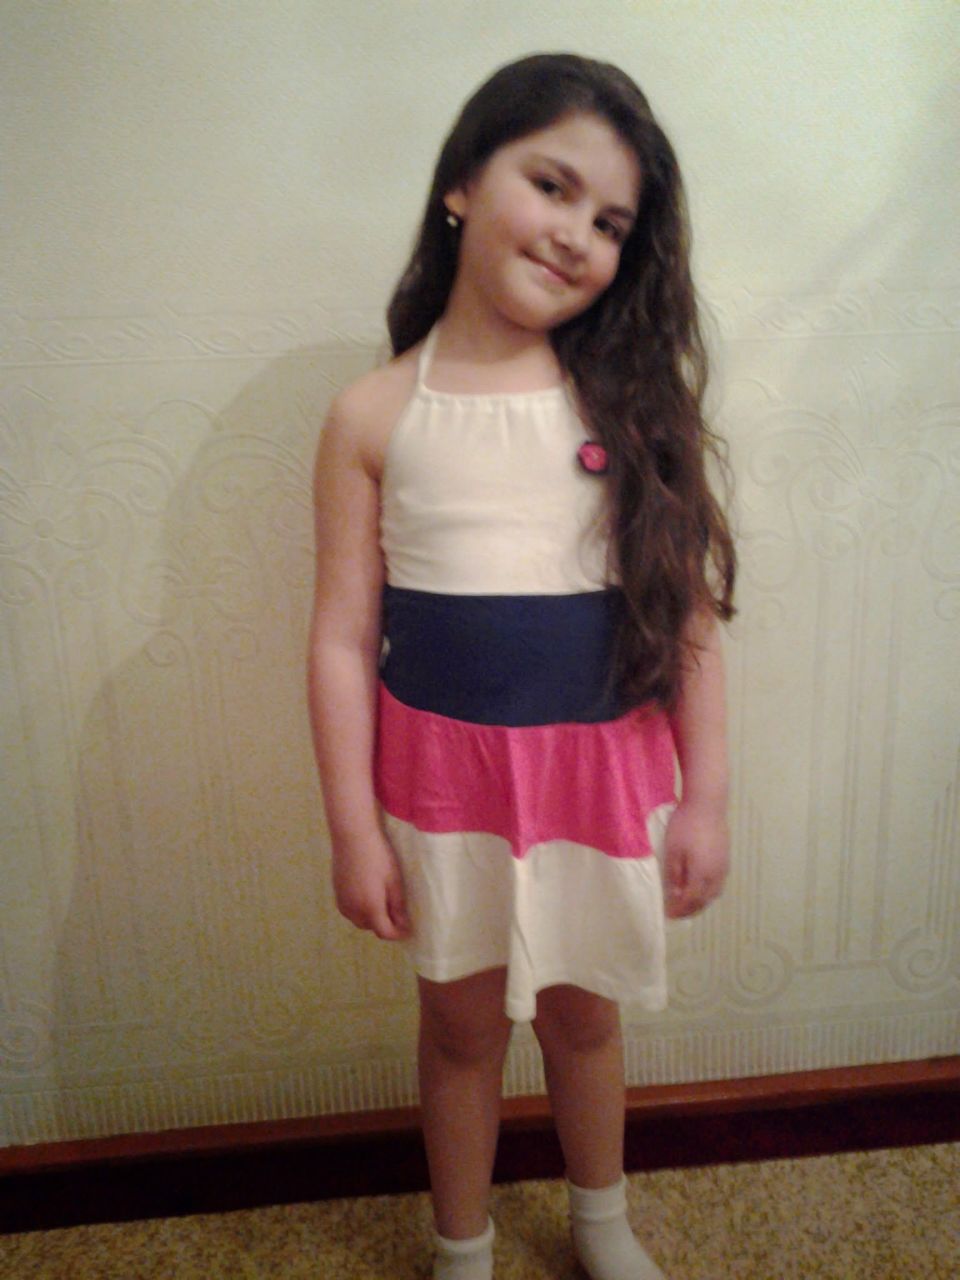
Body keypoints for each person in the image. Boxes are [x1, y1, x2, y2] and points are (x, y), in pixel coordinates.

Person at [307, 52, 736, 1280]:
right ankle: (464, 1248)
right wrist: (353, 827)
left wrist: (707, 796)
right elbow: (341, 637)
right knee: (457, 1027)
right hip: (445, 786)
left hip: (598, 778)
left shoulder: (630, 407)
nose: (575, 235)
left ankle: (601, 1224)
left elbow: (687, 619)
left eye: (610, 223)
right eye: (552, 186)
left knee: (584, 1016)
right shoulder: (373, 414)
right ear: (461, 182)